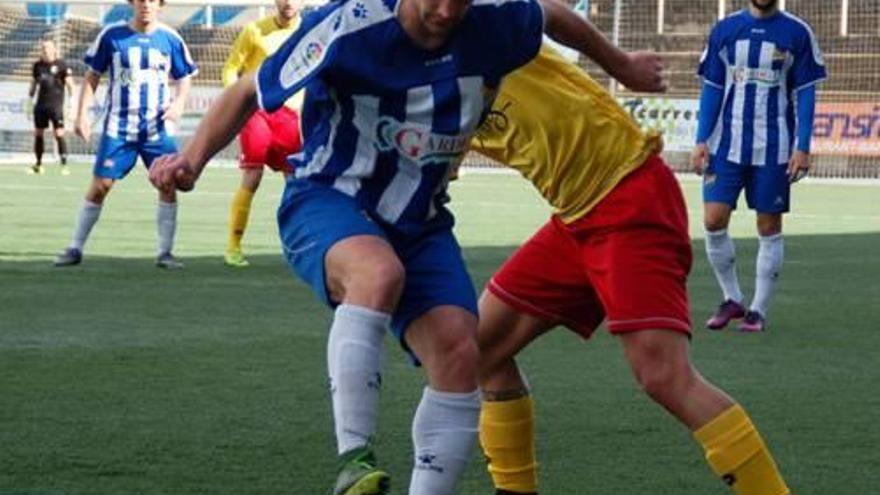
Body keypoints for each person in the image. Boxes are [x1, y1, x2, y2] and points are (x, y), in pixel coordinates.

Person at [148, 0, 662, 493]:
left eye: (459, 0)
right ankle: (355, 460)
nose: (445, 12)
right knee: (378, 274)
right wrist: (190, 159)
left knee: (461, 349)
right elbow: (246, 92)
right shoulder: (348, 25)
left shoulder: (494, 21)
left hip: (421, 223)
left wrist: (622, 66)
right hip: (329, 199)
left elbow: (551, 16)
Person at [470, 42, 791, 494]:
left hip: (628, 194)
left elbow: (551, 12)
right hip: (574, 218)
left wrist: (620, 64)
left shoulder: (473, 21)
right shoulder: (406, 90)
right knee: (479, 351)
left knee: (663, 376)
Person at [692, 0, 826, 332]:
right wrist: (700, 140)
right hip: (726, 145)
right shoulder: (725, 30)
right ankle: (732, 298)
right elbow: (712, 87)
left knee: (768, 226)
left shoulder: (797, 32)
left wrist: (803, 146)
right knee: (712, 220)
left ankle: (758, 311)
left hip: (775, 147)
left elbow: (806, 94)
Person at [54, 0, 196, 268]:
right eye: (141, 0)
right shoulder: (111, 35)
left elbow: (186, 76)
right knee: (100, 186)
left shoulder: (171, 39)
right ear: (132, 3)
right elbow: (93, 75)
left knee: (167, 182)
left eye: (152, 1)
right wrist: (82, 113)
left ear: (161, 5)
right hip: (119, 127)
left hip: (156, 128)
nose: (146, 5)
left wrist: (178, 103)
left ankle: (165, 253)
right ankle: (74, 247)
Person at [221, 0, 304, 268]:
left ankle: (298, 246)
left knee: (296, 182)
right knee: (253, 176)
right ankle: (233, 246)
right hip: (257, 112)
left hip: (292, 117)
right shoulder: (254, 31)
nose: (289, 2)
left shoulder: (309, 31)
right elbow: (231, 67)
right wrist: (235, 100)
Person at [29, 40, 75, 175]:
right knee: (38, 133)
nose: (45, 50)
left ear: (54, 49)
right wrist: (29, 100)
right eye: (43, 48)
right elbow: (33, 84)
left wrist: (72, 102)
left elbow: (70, 85)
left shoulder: (62, 65)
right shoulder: (37, 66)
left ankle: (64, 164)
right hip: (41, 106)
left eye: (48, 48)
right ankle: (38, 164)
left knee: (59, 134)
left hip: (56, 106)